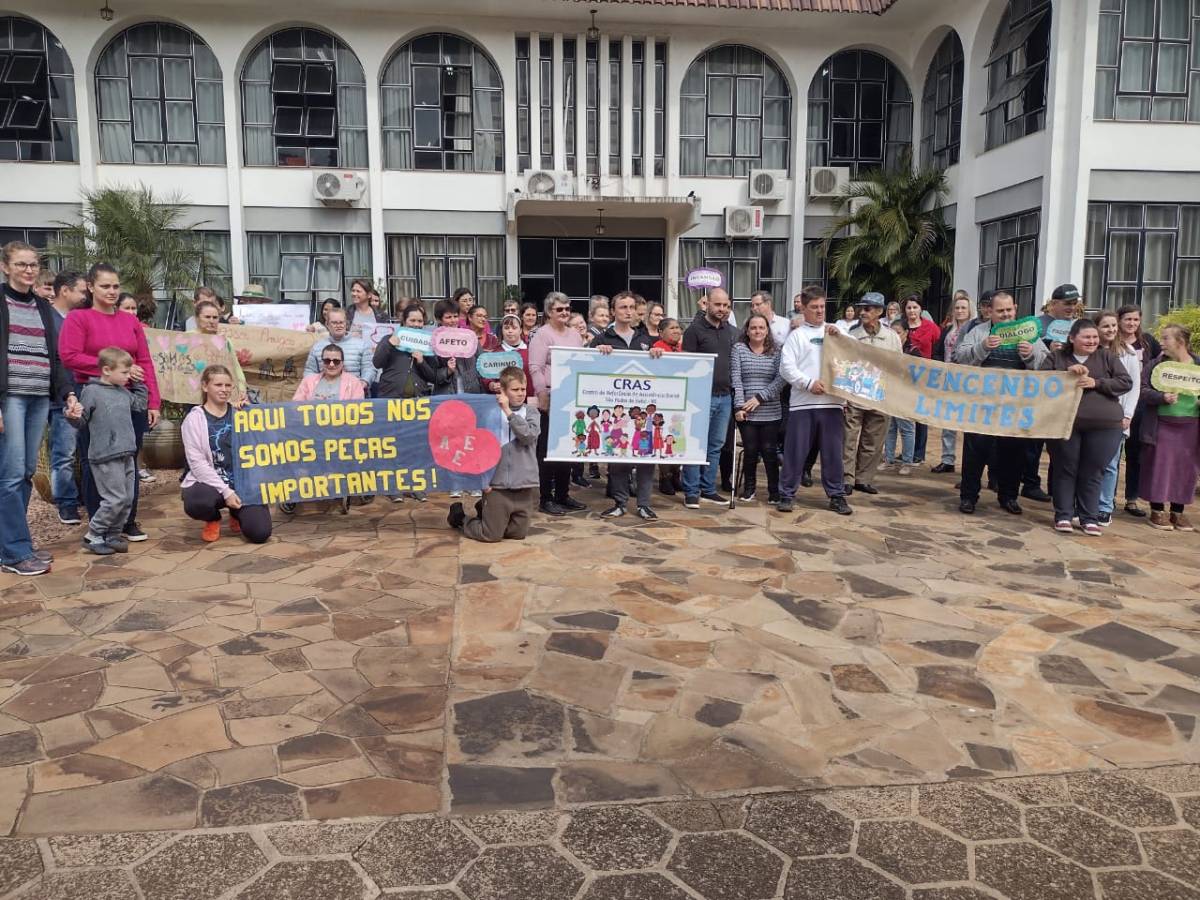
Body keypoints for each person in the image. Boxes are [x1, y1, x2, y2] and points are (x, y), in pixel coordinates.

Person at [59, 263, 160, 543]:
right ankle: (99, 524)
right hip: (95, 395)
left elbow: (145, 361)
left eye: (116, 286)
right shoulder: (79, 318)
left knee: (129, 458)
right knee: (97, 461)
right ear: (91, 287)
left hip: (129, 398)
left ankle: (127, 520)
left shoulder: (129, 321)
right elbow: (69, 356)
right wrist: (112, 369)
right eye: (105, 286)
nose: (112, 291)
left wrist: (153, 401)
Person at [0, 242, 74, 575]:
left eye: (33, 264)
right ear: (5, 267)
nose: (29, 270)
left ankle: (13, 545)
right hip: (10, 398)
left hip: (39, 397)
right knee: (11, 474)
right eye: (21, 264)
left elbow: (55, 356)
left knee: (26, 472)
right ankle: (15, 553)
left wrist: (67, 393)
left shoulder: (43, 307)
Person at [953, 291, 1048, 515]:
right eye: (1000, 311)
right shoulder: (979, 332)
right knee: (975, 452)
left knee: (1013, 453)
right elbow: (960, 357)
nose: (1005, 314)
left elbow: (1047, 365)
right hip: (981, 406)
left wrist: (1031, 354)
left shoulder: (1029, 333)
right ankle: (968, 497)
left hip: (1014, 408)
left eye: (1008, 310)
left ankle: (1009, 497)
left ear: (1015, 309)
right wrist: (983, 347)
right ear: (990, 311)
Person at [1039, 319, 1131, 535]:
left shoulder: (1107, 356)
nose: (1092, 341)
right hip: (1064, 424)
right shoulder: (1057, 357)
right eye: (1086, 337)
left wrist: (1097, 383)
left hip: (1105, 425)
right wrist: (1065, 373)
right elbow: (1041, 382)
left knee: (1093, 471)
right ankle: (1063, 515)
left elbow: (1125, 382)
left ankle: (1089, 517)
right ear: (1072, 338)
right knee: (1065, 468)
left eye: (1094, 337)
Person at [65, 347, 147, 555]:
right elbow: (81, 421)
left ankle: (113, 534)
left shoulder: (123, 392)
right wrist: (72, 415)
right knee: (114, 499)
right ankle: (93, 535)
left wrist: (139, 384)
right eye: (124, 372)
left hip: (127, 453)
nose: (128, 376)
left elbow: (139, 405)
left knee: (127, 499)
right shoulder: (91, 392)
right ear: (107, 370)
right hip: (105, 456)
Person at [778, 286, 852, 516]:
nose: (820, 311)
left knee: (833, 453)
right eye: (814, 307)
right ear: (803, 308)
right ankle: (787, 494)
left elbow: (855, 355)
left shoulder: (837, 331)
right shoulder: (797, 336)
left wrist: (841, 338)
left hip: (832, 403)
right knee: (795, 451)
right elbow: (786, 368)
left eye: (822, 306)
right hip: (803, 403)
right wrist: (808, 383)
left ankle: (837, 495)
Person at [591, 291, 663, 519]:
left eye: (632, 307)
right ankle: (620, 503)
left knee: (645, 458)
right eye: (623, 307)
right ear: (613, 311)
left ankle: (644, 504)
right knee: (618, 458)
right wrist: (598, 354)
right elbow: (589, 367)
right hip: (617, 410)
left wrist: (658, 353)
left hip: (642, 411)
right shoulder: (602, 339)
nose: (628, 311)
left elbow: (660, 371)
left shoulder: (646, 340)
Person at [181, 365, 272, 544]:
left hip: (242, 483)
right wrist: (226, 492)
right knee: (197, 502)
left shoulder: (240, 413)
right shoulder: (193, 419)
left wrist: (253, 412)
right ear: (205, 386)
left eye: (228, 385)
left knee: (260, 533)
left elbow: (264, 441)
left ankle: (236, 513)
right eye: (218, 385)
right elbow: (197, 464)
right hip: (210, 484)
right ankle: (213, 518)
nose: (224, 390)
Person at [448, 366, 540, 541]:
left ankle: (484, 509)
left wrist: (509, 413)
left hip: (524, 484)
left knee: (517, 534)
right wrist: (483, 480)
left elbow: (528, 436)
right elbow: (479, 448)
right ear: (503, 391)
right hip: (497, 485)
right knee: (491, 535)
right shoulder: (490, 413)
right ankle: (461, 518)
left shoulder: (531, 412)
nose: (521, 393)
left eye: (523, 389)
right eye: (515, 390)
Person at [528, 292, 588, 516]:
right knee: (547, 449)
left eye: (567, 308)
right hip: (550, 396)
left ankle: (563, 495)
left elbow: (581, 363)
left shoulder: (575, 335)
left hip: (571, 397)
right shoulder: (542, 335)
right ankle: (546, 498)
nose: (564, 312)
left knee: (566, 448)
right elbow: (535, 367)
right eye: (559, 309)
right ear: (549, 312)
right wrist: (542, 394)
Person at [1138, 324, 1200, 531]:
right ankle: (1157, 510)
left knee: (1186, 468)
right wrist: (1161, 397)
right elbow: (1142, 390)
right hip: (1162, 424)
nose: (1161, 343)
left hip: (1191, 426)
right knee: (1160, 466)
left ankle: (1177, 511)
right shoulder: (1157, 365)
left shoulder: (1198, 365)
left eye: (1166, 338)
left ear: (1180, 342)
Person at [842, 292, 902, 495]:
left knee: (874, 440)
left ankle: (863, 478)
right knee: (848, 439)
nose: (862, 312)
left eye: (867, 309)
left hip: (880, 396)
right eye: (861, 308)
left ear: (879, 312)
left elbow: (898, 365)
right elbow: (844, 364)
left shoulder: (892, 337)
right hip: (855, 395)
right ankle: (846, 478)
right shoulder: (851, 335)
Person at [681, 287, 735, 508]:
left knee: (715, 445)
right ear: (707, 304)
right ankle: (691, 491)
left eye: (725, 305)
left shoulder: (732, 332)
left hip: (725, 397)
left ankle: (708, 489)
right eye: (718, 304)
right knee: (695, 444)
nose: (722, 309)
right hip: (700, 397)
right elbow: (686, 364)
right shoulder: (694, 330)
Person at [46, 271, 86, 526]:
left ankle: (80, 496)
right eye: (81, 291)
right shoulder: (47, 319)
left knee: (79, 450)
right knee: (64, 451)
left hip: (79, 391)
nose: (85, 295)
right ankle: (66, 502)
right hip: (57, 396)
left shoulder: (78, 318)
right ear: (64, 290)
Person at [1094, 310, 1140, 527]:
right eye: (1106, 326)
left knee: (1110, 464)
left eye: (1113, 325)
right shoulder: (1089, 350)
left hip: (1117, 416)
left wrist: (1128, 414)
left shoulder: (1128, 353)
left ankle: (1104, 506)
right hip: (1092, 416)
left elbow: (1134, 387)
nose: (1111, 329)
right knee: (1089, 463)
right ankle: (1086, 503)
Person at [731, 313, 784, 504]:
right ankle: (749, 489)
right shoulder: (739, 349)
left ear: (767, 330)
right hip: (746, 411)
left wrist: (760, 398)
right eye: (753, 327)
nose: (757, 331)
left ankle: (774, 491)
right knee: (751, 450)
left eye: (761, 327)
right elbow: (736, 378)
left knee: (769, 451)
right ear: (747, 330)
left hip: (771, 410)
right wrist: (739, 407)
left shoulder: (777, 350)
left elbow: (781, 378)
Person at [1117, 305, 1161, 518]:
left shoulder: (1148, 342)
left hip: (1141, 404)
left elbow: (1161, 366)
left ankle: (1131, 499)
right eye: (1128, 319)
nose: (1132, 323)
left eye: (1135, 319)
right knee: (1112, 453)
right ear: (1119, 320)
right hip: (1117, 400)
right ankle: (1106, 498)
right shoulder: (1113, 341)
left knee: (1135, 453)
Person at [931, 291, 973, 473]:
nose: (960, 311)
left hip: (968, 381)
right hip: (948, 380)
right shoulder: (948, 330)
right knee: (947, 421)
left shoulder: (974, 330)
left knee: (968, 423)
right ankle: (947, 459)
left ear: (970, 310)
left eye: (963, 308)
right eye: (957, 308)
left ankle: (969, 464)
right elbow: (938, 352)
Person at [901, 296, 939, 465]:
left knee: (921, 415)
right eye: (909, 307)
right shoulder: (900, 326)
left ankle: (919, 453)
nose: (912, 311)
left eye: (915, 307)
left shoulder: (931, 327)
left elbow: (938, 348)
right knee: (904, 416)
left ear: (921, 309)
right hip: (903, 378)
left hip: (924, 377)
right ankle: (906, 452)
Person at [881, 318, 918, 476]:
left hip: (906, 395)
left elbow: (918, 375)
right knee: (890, 428)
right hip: (889, 393)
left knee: (907, 429)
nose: (895, 336)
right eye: (892, 332)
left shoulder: (914, 351)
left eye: (898, 332)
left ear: (906, 333)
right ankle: (888, 459)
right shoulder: (887, 350)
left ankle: (907, 461)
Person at [304, 308, 375, 385]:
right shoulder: (317, 347)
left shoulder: (362, 345)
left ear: (346, 323)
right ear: (327, 324)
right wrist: (313, 385)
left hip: (354, 390)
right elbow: (310, 370)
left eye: (341, 322)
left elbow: (369, 368)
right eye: (334, 323)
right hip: (324, 390)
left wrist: (364, 382)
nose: (338, 326)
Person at [293, 342, 368, 401]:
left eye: (336, 361)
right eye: (327, 361)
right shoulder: (308, 381)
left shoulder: (354, 382)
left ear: (342, 363)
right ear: (322, 362)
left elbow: (358, 410)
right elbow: (296, 406)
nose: (331, 365)